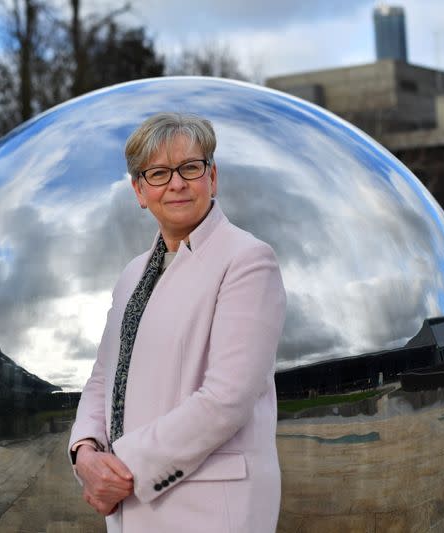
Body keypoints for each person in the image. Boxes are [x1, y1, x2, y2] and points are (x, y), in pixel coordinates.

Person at [68, 112, 287, 533]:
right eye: (159, 173)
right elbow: (102, 378)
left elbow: (228, 397)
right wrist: (85, 453)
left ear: (212, 176)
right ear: (139, 190)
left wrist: (120, 469)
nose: (177, 183)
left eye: (190, 167)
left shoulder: (247, 260)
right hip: (130, 512)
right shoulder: (132, 273)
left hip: (209, 509)